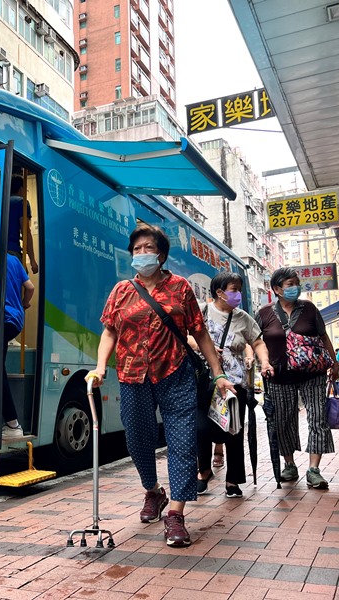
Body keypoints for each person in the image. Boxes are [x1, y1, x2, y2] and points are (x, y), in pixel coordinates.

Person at [86, 223, 235, 548]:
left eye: (148, 248)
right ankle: (154, 492)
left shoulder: (180, 288)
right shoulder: (121, 291)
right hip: (131, 376)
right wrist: (99, 367)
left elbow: (200, 333)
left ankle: (176, 515)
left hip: (176, 375)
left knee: (182, 443)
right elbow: (110, 331)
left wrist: (218, 373)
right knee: (138, 440)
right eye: (137, 250)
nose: (142, 254)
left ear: (162, 254)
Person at [255, 267, 339, 490]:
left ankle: (314, 469)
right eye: (289, 284)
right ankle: (289, 464)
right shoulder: (264, 313)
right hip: (279, 377)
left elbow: (323, 336)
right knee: (283, 421)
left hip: (313, 374)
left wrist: (334, 363)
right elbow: (254, 341)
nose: (294, 288)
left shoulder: (309, 308)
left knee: (318, 418)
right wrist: (261, 362)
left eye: (296, 283)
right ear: (277, 289)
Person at [191, 272, 272, 499]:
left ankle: (233, 480)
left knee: (234, 430)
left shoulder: (243, 318)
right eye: (233, 289)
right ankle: (204, 471)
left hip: (235, 383)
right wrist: (201, 347)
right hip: (204, 380)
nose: (237, 294)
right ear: (219, 292)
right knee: (201, 428)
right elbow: (184, 336)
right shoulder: (202, 311)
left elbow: (257, 342)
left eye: (238, 289)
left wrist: (264, 361)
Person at [1, 252, 35, 440]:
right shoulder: (13, 260)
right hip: (16, 320)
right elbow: (30, 287)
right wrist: (24, 303)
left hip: (1, 319)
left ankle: (12, 424)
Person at [8, 175, 38, 274]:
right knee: (25, 283)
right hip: (12, 252)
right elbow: (26, 232)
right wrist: (32, 260)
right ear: (21, 188)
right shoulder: (22, 203)